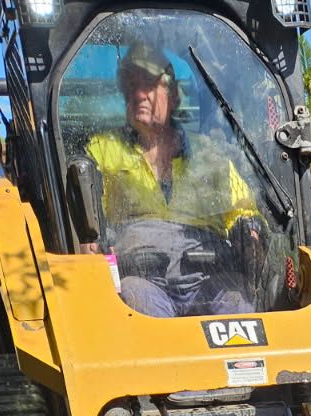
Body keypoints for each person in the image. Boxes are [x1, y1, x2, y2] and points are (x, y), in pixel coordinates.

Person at [86, 40, 263, 317]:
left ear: (174, 96)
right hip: (142, 277)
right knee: (140, 311)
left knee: (238, 307)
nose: (138, 93)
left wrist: (249, 230)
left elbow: (243, 209)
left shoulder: (209, 153)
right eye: (130, 85)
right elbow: (87, 217)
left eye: (148, 83)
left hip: (208, 275)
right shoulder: (103, 150)